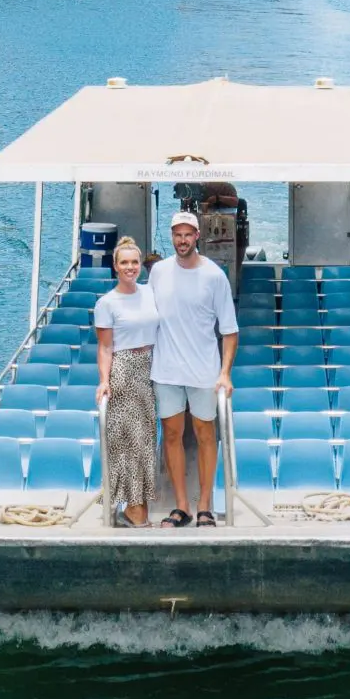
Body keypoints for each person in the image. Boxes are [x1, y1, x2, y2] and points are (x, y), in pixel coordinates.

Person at [148, 209, 238, 529]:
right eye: (177, 234)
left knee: (205, 435)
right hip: (167, 370)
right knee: (171, 434)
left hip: (203, 371)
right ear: (172, 237)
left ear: (197, 236)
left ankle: (205, 507)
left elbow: (230, 330)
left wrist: (224, 372)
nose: (182, 240)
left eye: (188, 234)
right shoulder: (158, 272)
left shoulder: (214, 276)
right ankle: (182, 507)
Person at [90, 235, 160, 528]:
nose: (130, 267)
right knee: (130, 441)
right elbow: (105, 347)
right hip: (125, 369)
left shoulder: (151, 292)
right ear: (115, 267)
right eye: (124, 263)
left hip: (153, 366)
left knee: (146, 440)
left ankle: (137, 505)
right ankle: (133, 509)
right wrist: (104, 380)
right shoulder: (107, 303)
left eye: (135, 262)